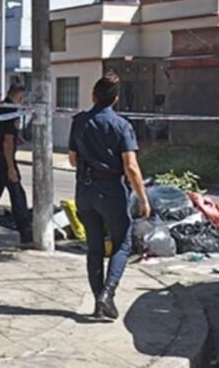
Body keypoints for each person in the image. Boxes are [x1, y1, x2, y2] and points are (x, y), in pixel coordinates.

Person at [68, 73, 151, 320]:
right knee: (122, 242)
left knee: (94, 248)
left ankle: (98, 304)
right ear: (115, 100)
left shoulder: (79, 121)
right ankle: (108, 293)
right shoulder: (122, 126)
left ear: (93, 96)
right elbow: (131, 167)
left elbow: (72, 159)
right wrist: (144, 198)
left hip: (84, 189)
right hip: (112, 190)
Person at [0, 84, 32, 245]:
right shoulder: (11, 112)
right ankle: (25, 232)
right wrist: (11, 167)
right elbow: (7, 142)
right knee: (17, 193)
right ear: (20, 97)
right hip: (4, 158)